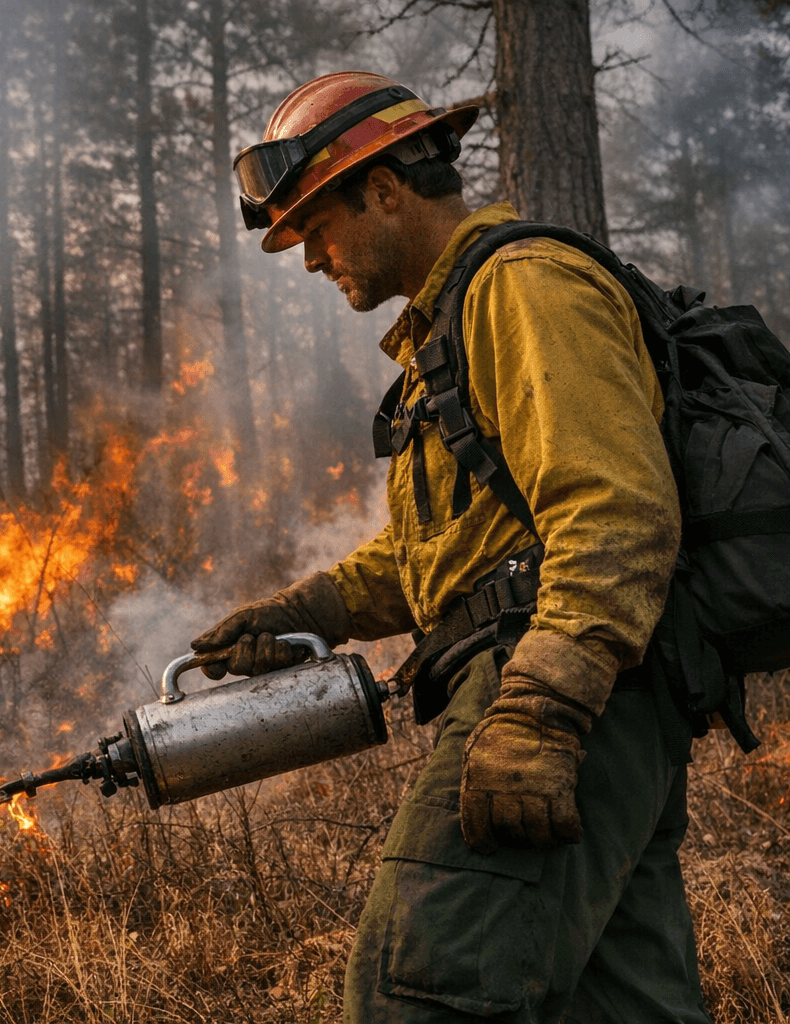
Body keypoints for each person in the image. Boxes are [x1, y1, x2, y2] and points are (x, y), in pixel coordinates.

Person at [194, 71, 709, 1022]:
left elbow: (616, 513)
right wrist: (312, 610)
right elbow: (455, 549)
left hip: (556, 689)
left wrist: (540, 712)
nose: (311, 261)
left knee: (419, 988)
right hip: (602, 702)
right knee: (622, 1007)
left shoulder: (523, 288)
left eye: (316, 229)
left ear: (384, 189)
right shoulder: (457, 322)